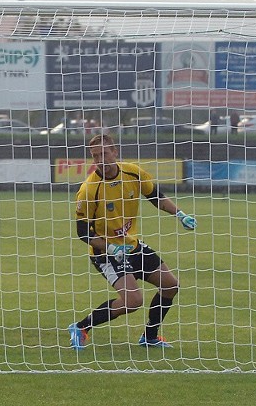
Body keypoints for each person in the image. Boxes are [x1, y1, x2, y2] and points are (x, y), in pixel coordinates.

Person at [68, 134, 196, 350]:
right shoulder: (89, 189)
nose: (100, 159)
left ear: (114, 152)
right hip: (106, 253)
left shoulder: (132, 172)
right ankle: (81, 327)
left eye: (104, 153)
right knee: (133, 301)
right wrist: (111, 247)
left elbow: (156, 196)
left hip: (132, 247)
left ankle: (150, 336)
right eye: (95, 156)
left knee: (171, 285)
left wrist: (181, 214)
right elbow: (83, 233)